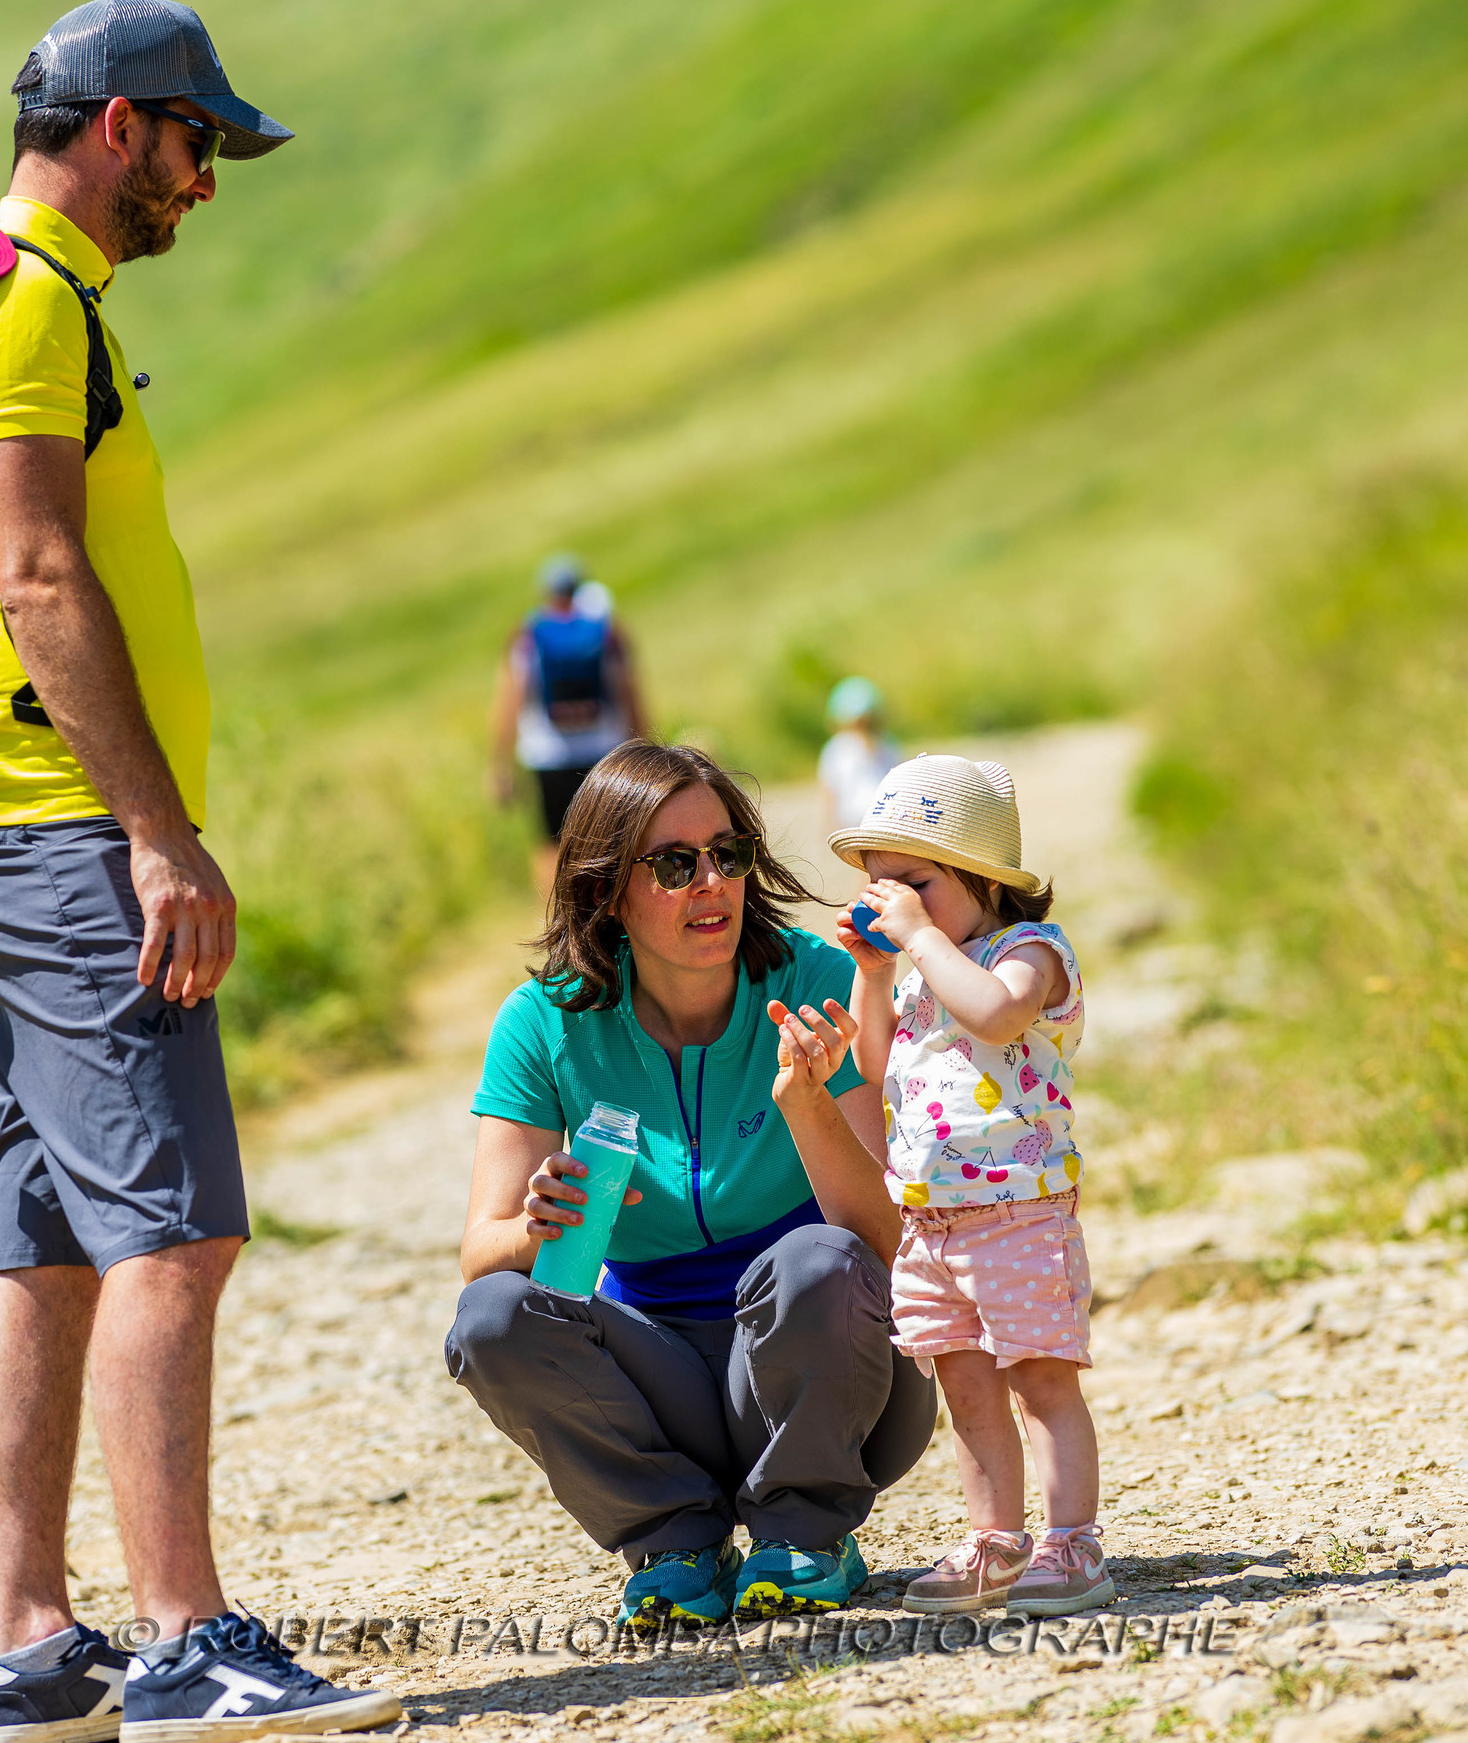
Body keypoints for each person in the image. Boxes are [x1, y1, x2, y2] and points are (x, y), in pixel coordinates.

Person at [0, 0, 403, 1743]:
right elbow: (38, 573)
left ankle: (32, 1650)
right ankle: (187, 1642)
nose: (205, 181)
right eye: (196, 143)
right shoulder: (28, 306)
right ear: (120, 125)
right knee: (178, 1230)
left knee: (46, 1252)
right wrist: (158, 836)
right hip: (65, 837)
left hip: (3, 833)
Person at [445, 740, 939, 1625]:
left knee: (816, 1259)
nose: (711, 884)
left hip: (838, 1377)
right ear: (606, 889)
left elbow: (887, 1238)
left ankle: (807, 1531)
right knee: (491, 1317)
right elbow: (482, 1252)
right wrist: (537, 1225)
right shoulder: (542, 1021)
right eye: (674, 865)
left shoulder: (818, 980)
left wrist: (808, 1105)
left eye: (728, 854)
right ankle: (674, 1541)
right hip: (658, 1388)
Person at [793, 752, 1110, 1617]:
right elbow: (874, 1064)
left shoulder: (1028, 953)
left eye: (917, 883)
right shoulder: (926, 972)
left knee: (1040, 1380)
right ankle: (994, 1539)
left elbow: (1000, 1014)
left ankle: (1073, 1543)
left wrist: (922, 942)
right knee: (967, 1390)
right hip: (932, 1224)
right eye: (881, 884)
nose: (896, 903)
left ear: (984, 880)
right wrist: (874, 971)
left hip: (1019, 1214)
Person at [489, 553, 647, 890]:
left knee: (551, 845)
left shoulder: (529, 636)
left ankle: (554, 915)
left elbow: (510, 702)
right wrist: (645, 750)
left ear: (546, 592)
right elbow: (629, 693)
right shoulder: (606, 632)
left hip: (547, 757)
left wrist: (501, 764)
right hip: (602, 753)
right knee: (609, 840)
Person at [817, 676, 896, 831]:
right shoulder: (837, 749)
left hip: (883, 819)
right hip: (851, 822)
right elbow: (830, 791)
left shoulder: (887, 744)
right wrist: (830, 826)